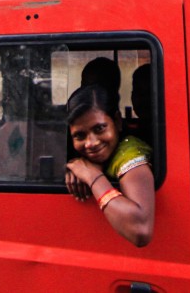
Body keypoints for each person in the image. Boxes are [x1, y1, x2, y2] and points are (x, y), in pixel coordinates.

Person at [65, 85, 154, 247]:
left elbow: (141, 230)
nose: (91, 143)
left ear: (118, 121)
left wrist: (92, 177)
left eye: (99, 129)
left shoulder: (130, 153)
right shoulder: (91, 158)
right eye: (79, 136)